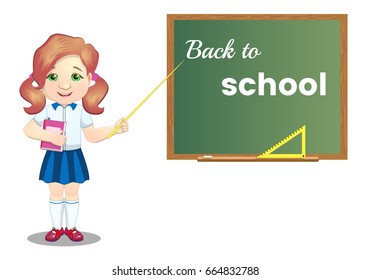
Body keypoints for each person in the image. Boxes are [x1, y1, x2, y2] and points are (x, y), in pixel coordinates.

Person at [20, 33, 128, 242]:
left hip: (74, 155)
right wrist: (48, 137)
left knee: (72, 193)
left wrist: (113, 130)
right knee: (54, 193)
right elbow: (28, 129)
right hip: (54, 156)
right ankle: (55, 228)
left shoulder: (81, 111)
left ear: (88, 79)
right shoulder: (45, 110)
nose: (65, 86)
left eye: (75, 77)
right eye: (53, 77)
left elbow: (91, 135)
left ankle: (71, 228)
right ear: (40, 81)